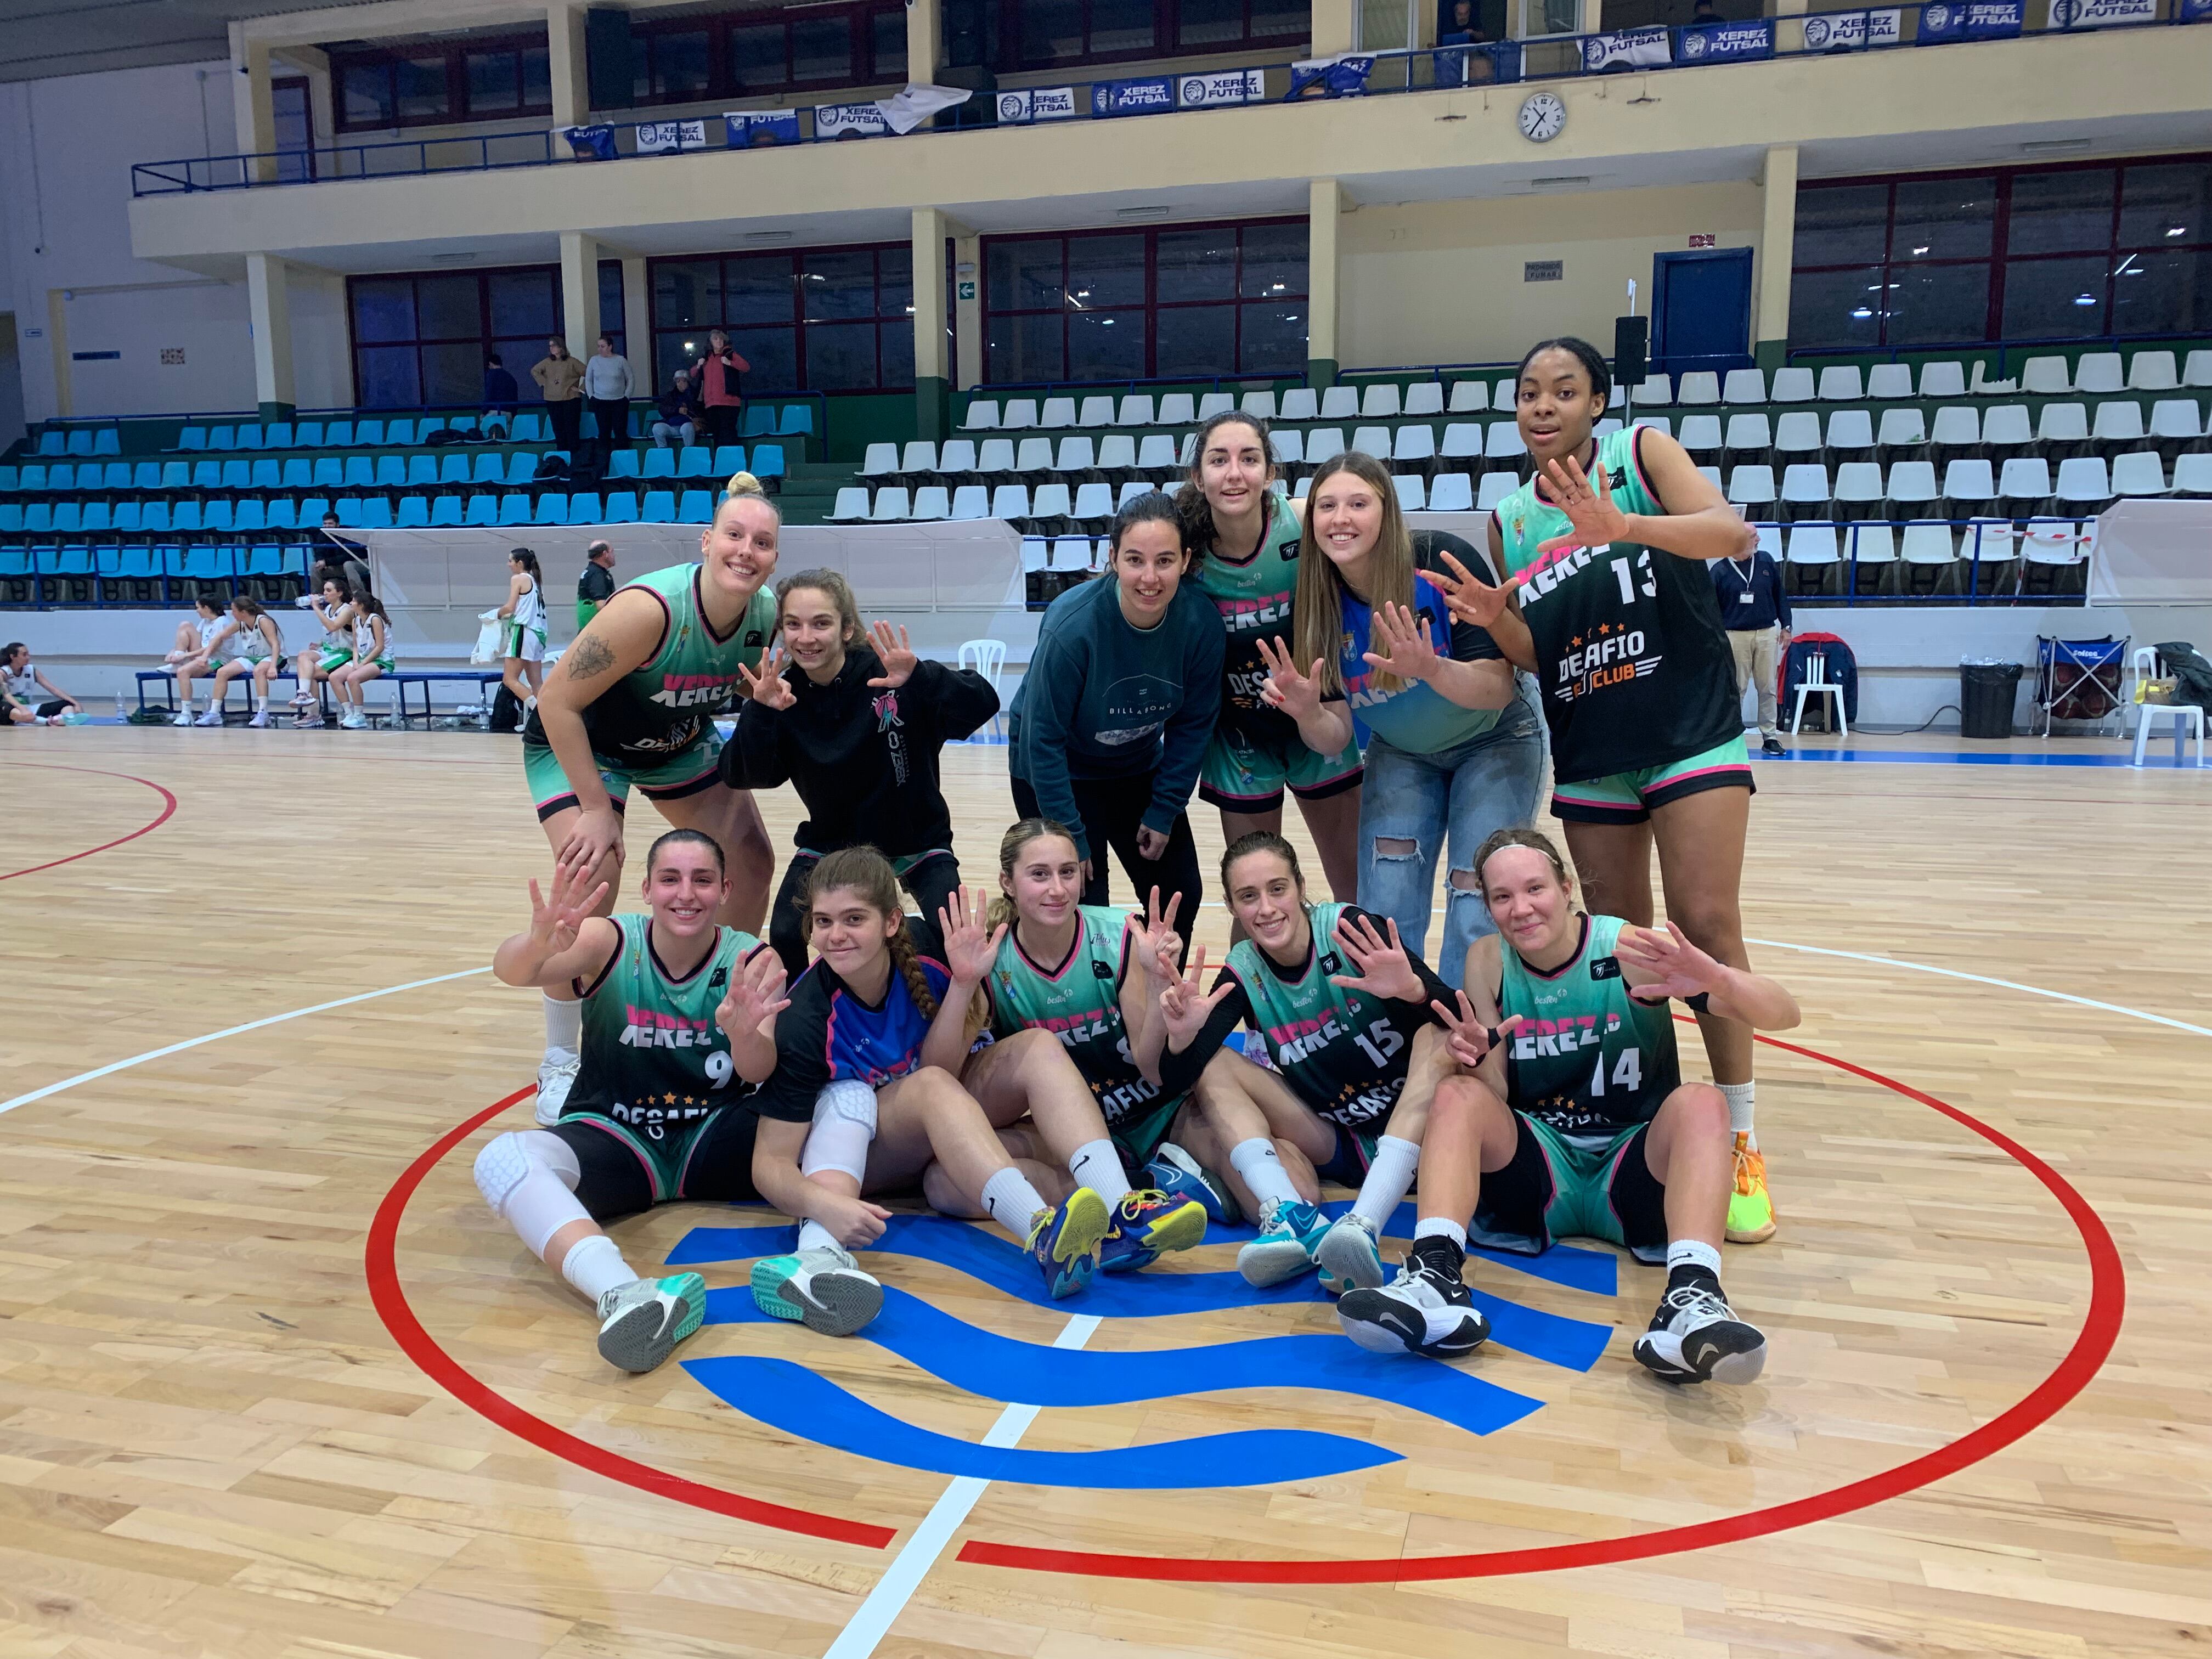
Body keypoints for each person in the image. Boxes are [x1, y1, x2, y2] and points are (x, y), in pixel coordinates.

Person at [1417, 335, 1777, 1244]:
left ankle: (1736, 1135)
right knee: (1620, 949)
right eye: (1528, 392)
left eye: (1563, 390)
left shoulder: (1641, 454)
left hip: (1686, 725)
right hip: (1591, 744)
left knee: (1702, 923)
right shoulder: (1509, 516)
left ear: (1597, 403)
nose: (1542, 406)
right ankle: (1636, 1117)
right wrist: (1502, 623)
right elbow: (1540, 651)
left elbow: (1731, 536)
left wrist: (1627, 528)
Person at [1335, 829, 1799, 1385]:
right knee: (1458, 1093)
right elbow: (1497, 1096)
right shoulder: (1489, 961)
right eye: (1502, 897)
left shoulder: (1627, 950)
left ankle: (1692, 1295)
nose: (1521, 908)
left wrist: (1720, 979)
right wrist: (1475, 1055)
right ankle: (1436, 1276)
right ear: (1486, 906)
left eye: (1535, 888)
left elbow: (1784, 1016)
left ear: (1567, 886)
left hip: (1634, 1163)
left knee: (1701, 1102)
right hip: (1540, 1169)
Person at [744, 849, 1119, 1328]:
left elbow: (943, 1066)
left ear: (891, 922)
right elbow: (769, 1163)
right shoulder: (807, 1017)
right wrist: (824, 1205)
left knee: (1034, 1053)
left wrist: (964, 985)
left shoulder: (932, 950)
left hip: (941, 1127)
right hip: (873, 1155)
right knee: (908, 1090)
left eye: (854, 919)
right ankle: (1041, 1233)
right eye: (823, 922)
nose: (835, 936)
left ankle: (1120, 1207)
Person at [476, 830, 795, 1373]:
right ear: (646, 889)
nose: (686, 894)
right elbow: (512, 973)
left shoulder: (754, 958)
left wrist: (744, 1033)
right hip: (616, 1136)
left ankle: (815, 1259)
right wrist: (537, 944)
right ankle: (629, 1295)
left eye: (702, 880)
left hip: (715, 1136)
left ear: (725, 889)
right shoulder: (608, 941)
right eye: (670, 880)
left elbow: (758, 1069)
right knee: (501, 1160)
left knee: (838, 1102)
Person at [524, 474, 781, 1125]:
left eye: (762, 542)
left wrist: (764, 697)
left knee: (750, 860)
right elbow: (556, 700)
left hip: (670, 742)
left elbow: (723, 684)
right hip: (582, 745)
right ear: (706, 541)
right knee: (588, 885)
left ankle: (723, 1012)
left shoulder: (765, 611)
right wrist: (593, 809)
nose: (746, 551)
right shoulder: (650, 611)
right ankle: (561, 1061)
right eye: (733, 535)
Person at [1259, 449, 1543, 988]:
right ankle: (1401, 1038)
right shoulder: (1316, 599)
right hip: (1401, 752)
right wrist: (1307, 710)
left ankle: (1467, 1038)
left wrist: (1431, 668)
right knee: (1385, 910)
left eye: (1358, 503)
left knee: (1473, 896)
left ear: (1387, 511)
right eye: (1327, 506)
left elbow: (1498, 688)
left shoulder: (1439, 559)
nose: (1341, 518)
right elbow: (1335, 736)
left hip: (1494, 740)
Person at [1146, 832, 1460, 1294]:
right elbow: (1178, 1079)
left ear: (1300, 887)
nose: (1267, 909)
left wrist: (1413, 992)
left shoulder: (1349, 930)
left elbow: (1454, 1018)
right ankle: (1290, 1217)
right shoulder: (1244, 968)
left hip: (1417, 1131)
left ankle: (1363, 1225)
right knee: (1212, 1065)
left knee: (1437, 1037)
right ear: (1233, 908)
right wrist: (1180, 1036)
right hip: (1338, 1136)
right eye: (1248, 897)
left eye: (1277, 889)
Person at [725, 569, 998, 978]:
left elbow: (983, 704)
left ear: (847, 628)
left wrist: (921, 678)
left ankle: (962, 1023)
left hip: (916, 837)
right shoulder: (782, 696)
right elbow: (746, 775)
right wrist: (760, 712)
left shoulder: (892, 674)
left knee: (956, 934)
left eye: (821, 623)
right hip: (832, 841)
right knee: (784, 931)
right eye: (793, 625)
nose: (806, 637)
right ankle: (806, 1024)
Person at [981, 819, 1237, 1224]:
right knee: (946, 1183)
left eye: (1067, 872)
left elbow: (1152, 1069)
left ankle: (1134, 1180)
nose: (1057, 889)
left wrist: (1155, 984)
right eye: (1039, 875)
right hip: (1070, 1131)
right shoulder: (992, 961)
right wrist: (962, 985)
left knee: (1278, 1181)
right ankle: (1141, 1184)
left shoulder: (1118, 933)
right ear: (1007, 883)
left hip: (1152, 1114)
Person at [1007, 491, 1222, 932]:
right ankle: (1096, 999)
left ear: (1184, 560)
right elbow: (1041, 740)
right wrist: (1071, 836)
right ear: (1112, 558)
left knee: (1179, 890)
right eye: (1134, 560)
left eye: (1164, 561)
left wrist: (1164, 810)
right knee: (1085, 900)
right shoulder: (1073, 626)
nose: (1149, 577)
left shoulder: (1201, 623)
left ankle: (1156, 997)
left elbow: (1193, 727)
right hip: (1055, 768)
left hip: (1134, 766)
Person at [1178, 411, 1363, 907]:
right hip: (1239, 736)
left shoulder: (1305, 521)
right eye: (1219, 460)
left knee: (1356, 889)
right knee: (1254, 897)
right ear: (1199, 477)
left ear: (1271, 473)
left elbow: (1376, 553)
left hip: (1317, 715)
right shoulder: (1183, 549)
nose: (1234, 473)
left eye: (1249, 459)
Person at [1711, 540, 1792, 755]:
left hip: (1766, 632)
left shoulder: (1765, 561)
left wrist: (1787, 626)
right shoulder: (1719, 571)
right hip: (1735, 636)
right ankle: (1732, 736)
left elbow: (1780, 595)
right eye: (1752, 537)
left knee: (1768, 688)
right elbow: (1711, 609)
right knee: (1737, 689)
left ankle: (1770, 737)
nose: (1757, 541)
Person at [205, 597, 283, 727]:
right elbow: (220, 636)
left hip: (274, 657)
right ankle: (214, 713)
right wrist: (205, 656)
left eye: (234, 611)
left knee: (259, 671)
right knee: (222, 672)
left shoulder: (263, 621)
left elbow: (275, 644)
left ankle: (263, 713)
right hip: (252, 658)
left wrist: (273, 667)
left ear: (244, 612)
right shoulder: (240, 623)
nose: (232, 614)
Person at [289, 575, 355, 730]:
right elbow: (329, 632)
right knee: (303, 655)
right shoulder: (328, 609)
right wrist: (320, 643)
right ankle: (303, 694)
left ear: (339, 593)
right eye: (324, 590)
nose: (324, 593)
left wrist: (315, 608)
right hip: (329, 650)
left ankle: (314, 714)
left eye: (328, 590)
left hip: (344, 653)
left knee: (309, 673)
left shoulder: (347, 610)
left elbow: (333, 627)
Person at [329, 584, 393, 730]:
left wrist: (362, 663)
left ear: (361, 605)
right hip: (363, 658)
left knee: (353, 678)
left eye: (353, 601)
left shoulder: (375, 619)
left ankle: (360, 717)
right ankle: (349, 714)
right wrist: (356, 661)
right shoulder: (355, 620)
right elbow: (356, 646)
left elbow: (380, 647)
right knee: (334, 677)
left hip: (382, 660)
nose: (350, 603)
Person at [172, 597, 244, 726]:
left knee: (182, 672)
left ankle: (186, 713)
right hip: (203, 656)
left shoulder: (222, 622)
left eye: (198, 607)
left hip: (217, 660)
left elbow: (212, 647)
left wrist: (185, 656)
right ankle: (177, 658)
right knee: (185, 625)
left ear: (206, 608)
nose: (197, 611)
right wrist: (175, 653)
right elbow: (195, 642)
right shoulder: (205, 622)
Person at [497, 548, 549, 712]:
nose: (508, 564)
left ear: (519, 563)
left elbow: (510, 607)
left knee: (509, 679)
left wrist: (496, 614)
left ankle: (539, 714)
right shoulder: (535, 581)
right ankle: (548, 718)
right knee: (537, 683)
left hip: (523, 632)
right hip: (538, 634)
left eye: (510, 561)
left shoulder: (518, 579)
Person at [582, 333, 634, 470]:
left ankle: (624, 464)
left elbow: (630, 379)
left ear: (610, 347)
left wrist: (626, 397)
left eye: (603, 346)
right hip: (600, 401)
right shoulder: (594, 361)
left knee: (620, 431)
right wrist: (591, 396)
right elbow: (588, 379)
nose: (600, 349)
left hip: (618, 402)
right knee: (604, 433)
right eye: (598, 346)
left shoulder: (621, 360)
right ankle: (603, 465)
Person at [693, 330, 751, 452]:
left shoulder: (730, 354)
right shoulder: (706, 358)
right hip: (711, 403)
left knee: (728, 432)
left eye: (721, 339)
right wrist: (698, 366)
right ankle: (721, 462)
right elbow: (692, 374)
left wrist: (730, 363)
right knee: (717, 434)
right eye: (715, 339)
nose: (719, 341)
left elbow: (746, 367)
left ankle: (732, 460)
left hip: (729, 402)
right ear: (710, 342)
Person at [533, 336, 585, 456]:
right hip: (552, 400)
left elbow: (590, 373)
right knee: (558, 430)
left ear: (561, 347)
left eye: (554, 346)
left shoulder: (572, 362)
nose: (551, 348)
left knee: (572, 430)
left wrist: (581, 389)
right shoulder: (547, 362)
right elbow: (535, 371)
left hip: (570, 400)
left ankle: (575, 458)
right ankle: (562, 458)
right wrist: (544, 383)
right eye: (550, 346)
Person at [2, 642, 81, 722]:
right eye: (24, 655)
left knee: (67, 704)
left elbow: (53, 689)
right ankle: (46, 721)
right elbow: (7, 695)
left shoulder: (31, 670)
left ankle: (67, 719)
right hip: (10, 709)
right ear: (13, 657)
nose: (28, 657)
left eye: (28, 654)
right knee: (7, 710)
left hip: (28, 709)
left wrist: (75, 703)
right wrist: (23, 710)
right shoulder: (3, 672)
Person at [651, 370, 702, 449]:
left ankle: (689, 451)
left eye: (684, 381)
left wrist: (688, 392)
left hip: (687, 424)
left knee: (687, 428)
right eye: (678, 381)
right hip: (671, 425)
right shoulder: (671, 395)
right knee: (657, 428)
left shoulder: (694, 394)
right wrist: (677, 410)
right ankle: (663, 451)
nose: (680, 383)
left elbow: (698, 408)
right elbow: (663, 409)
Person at [575, 539, 617, 631]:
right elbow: (601, 605)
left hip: (589, 629)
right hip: (596, 631)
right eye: (612, 552)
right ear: (605, 554)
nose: (614, 555)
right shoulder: (597, 575)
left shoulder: (592, 571)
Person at [482, 352, 520, 429]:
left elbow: (489, 393)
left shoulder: (492, 375)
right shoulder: (510, 377)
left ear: (490, 364)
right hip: (509, 413)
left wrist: (484, 411)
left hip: (495, 411)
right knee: (507, 437)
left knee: (486, 432)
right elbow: (515, 397)